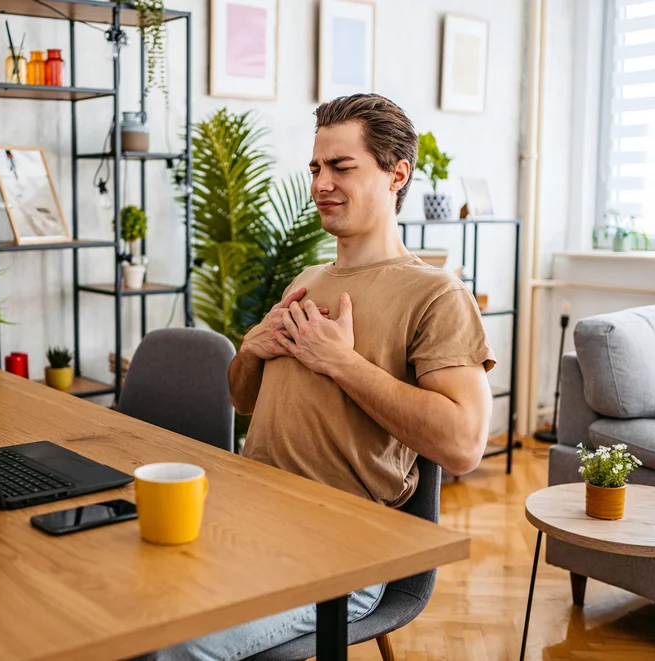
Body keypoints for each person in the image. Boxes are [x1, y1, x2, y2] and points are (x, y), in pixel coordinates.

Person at [148, 93, 495, 661]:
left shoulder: (438, 295)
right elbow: (243, 401)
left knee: (171, 646)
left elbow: (463, 445)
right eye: (315, 167)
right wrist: (251, 351)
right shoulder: (307, 278)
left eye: (342, 167)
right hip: (246, 516)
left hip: (339, 553)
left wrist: (343, 364)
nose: (320, 183)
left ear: (396, 174)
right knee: (112, 606)